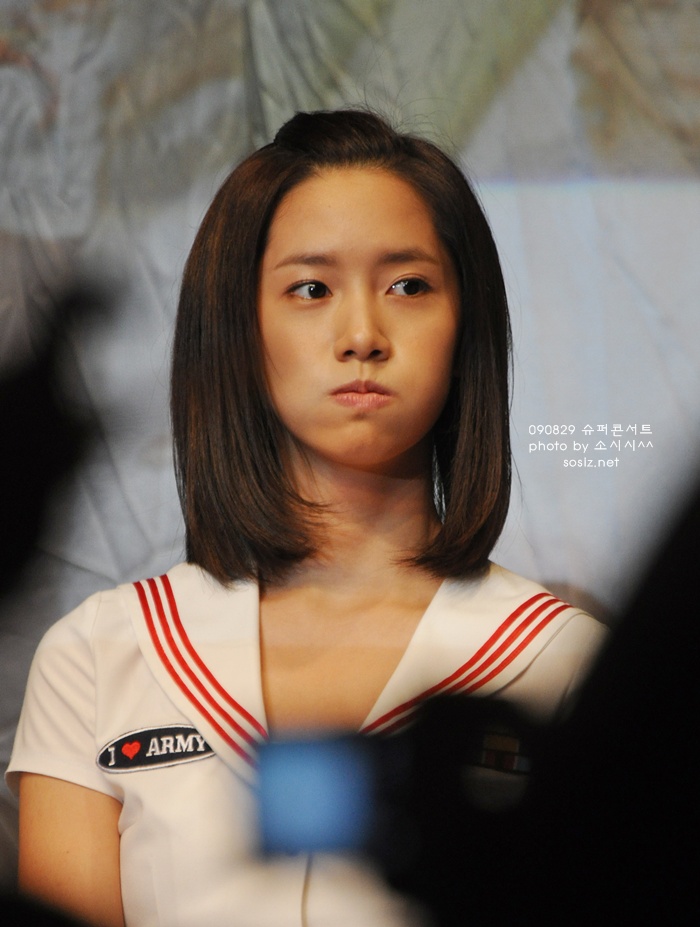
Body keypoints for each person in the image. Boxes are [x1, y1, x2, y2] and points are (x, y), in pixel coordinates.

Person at [7, 109, 606, 927]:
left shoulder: (567, 666)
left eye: (408, 285)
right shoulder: (99, 654)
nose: (362, 334)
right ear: (238, 326)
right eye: (311, 289)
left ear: (467, 322)